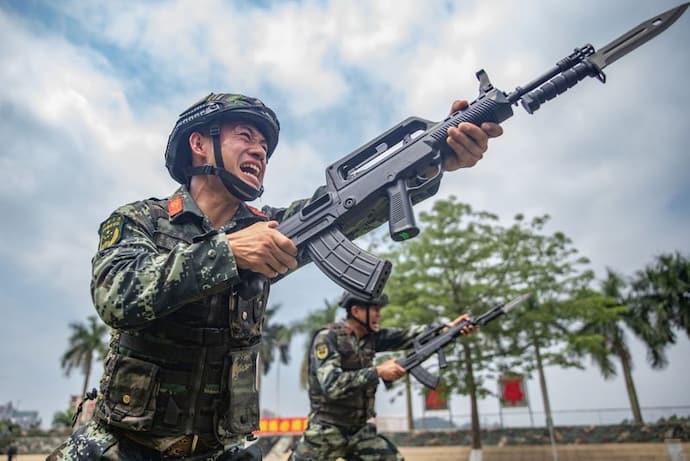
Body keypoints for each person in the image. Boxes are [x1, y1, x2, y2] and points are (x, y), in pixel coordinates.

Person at [47, 92, 502, 460]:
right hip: (122, 446)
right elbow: (117, 297)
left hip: (222, 450)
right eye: (246, 135)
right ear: (199, 144)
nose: (260, 149)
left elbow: (348, 211)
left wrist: (431, 160)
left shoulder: (272, 228)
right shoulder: (139, 220)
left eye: (265, 145)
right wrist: (226, 252)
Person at [289, 292, 476, 461]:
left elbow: (409, 336)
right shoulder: (328, 337)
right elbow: (331, 385)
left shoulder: (371, 337)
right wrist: (378, 371)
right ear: (356, 310)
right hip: (326, 430)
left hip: (359, 432)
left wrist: (447, 330)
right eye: (374, 309)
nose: (379, 314)